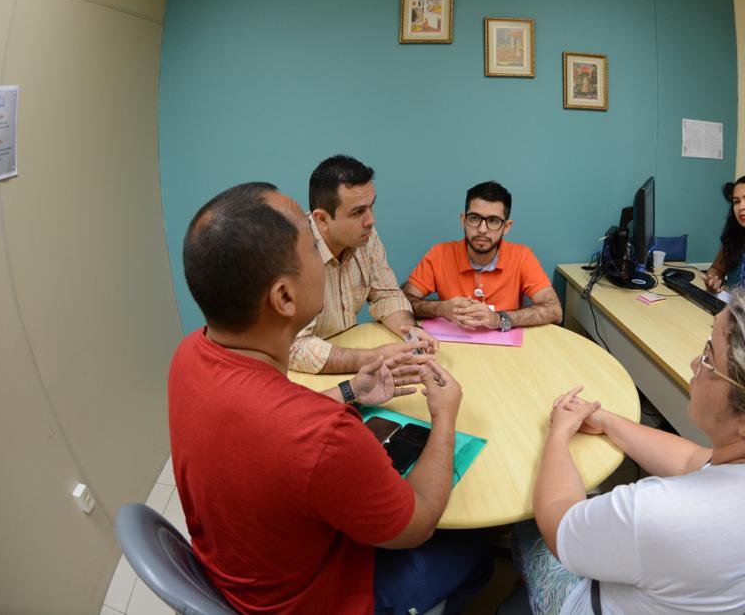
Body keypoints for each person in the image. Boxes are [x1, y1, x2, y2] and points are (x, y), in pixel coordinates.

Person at [169, 182, 491, 614]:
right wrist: (445, 417)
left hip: (245, 575)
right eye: (311, 246)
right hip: (317, 599)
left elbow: (273, 430)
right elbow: (415, 524)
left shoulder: (188, 355)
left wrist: (352, 391)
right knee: (476, 548)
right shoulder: (324, 437)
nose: (325, 259)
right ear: (284, 297)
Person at [518, 284, 745, 614]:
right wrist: (609, 422)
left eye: (708, 359)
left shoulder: (660, 513)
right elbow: (692, 461)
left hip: (585, 602)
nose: (693, 365)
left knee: (524, 523)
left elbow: (558, 524)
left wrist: (559, 433)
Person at [290, 155, 438, 373]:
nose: (371, 220)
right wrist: (376, 357)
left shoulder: (364, 235)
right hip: (300, 378)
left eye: (371, 206)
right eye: (358, 212)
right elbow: (294, 348)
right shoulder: (290, 253)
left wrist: (412, 334)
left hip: (345, 361)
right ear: (321, 219)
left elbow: (386, 294)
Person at [403, 180, 562, 331]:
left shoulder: (522, 256)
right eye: (474, 218)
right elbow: (403, 300)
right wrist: (441, 308)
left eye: (493, 220)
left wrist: (499, 319)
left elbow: (554, 310)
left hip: (506, 352)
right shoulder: (439, 254)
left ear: (506, 227)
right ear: (463, 220)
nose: (482, 229)